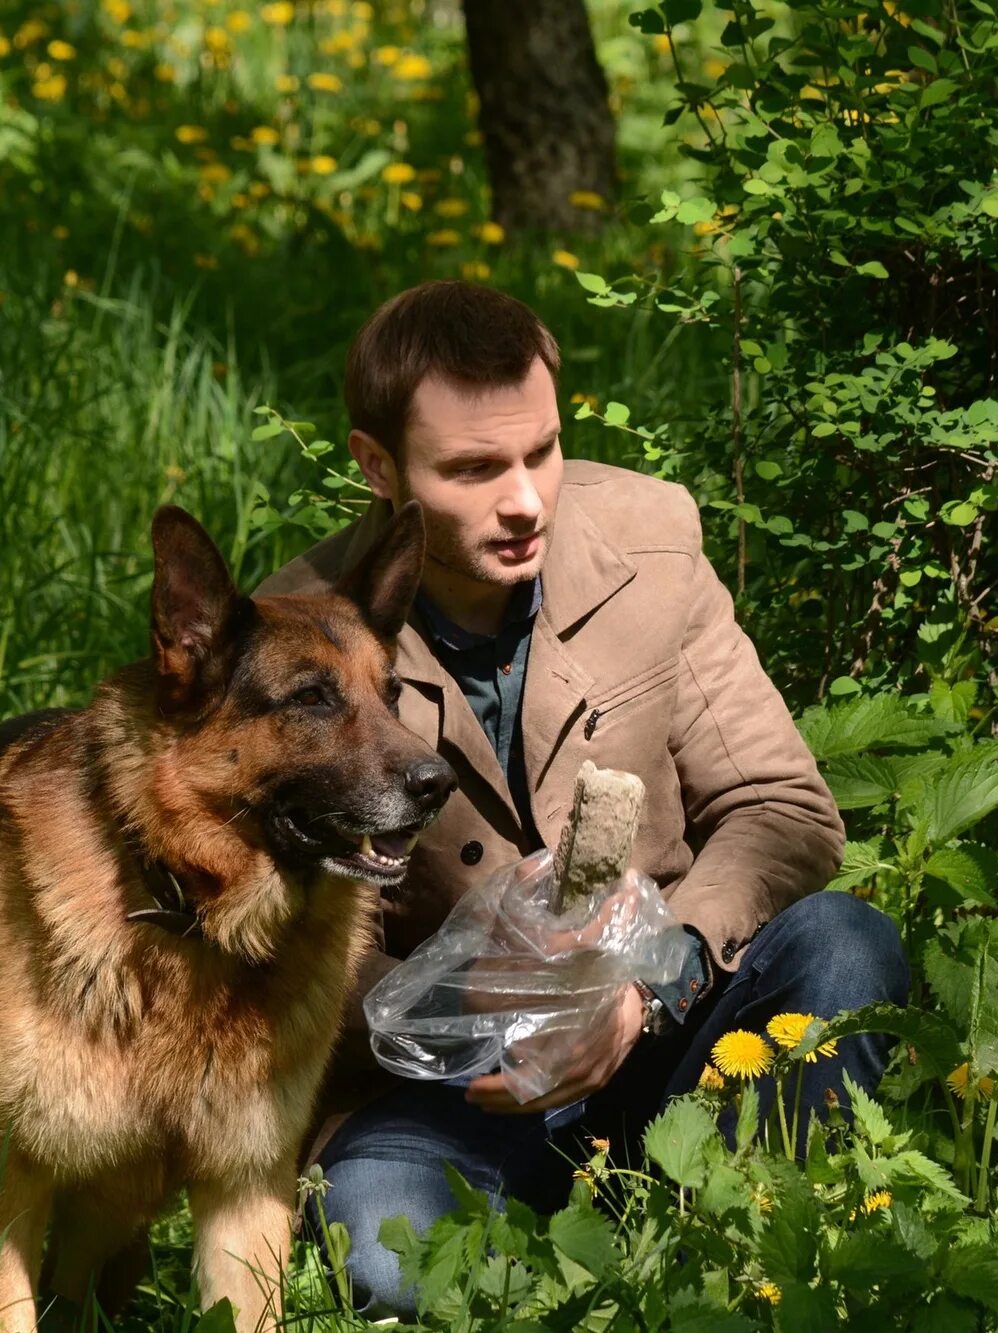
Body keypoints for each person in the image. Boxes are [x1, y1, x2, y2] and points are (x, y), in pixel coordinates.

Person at [254, 280, 909, 1319]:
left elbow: (781, 808)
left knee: (845, 945)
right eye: (471, 469)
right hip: (454, 1092)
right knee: (379, 1241)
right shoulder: (303, 645)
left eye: (541, 452)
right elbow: (286, 953)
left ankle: (767, 1244)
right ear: (376, 468)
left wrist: (648, 979)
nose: (524, 500)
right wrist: (465, 999)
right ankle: (580, 1250)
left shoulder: (647, 539)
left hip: (669, 1033)